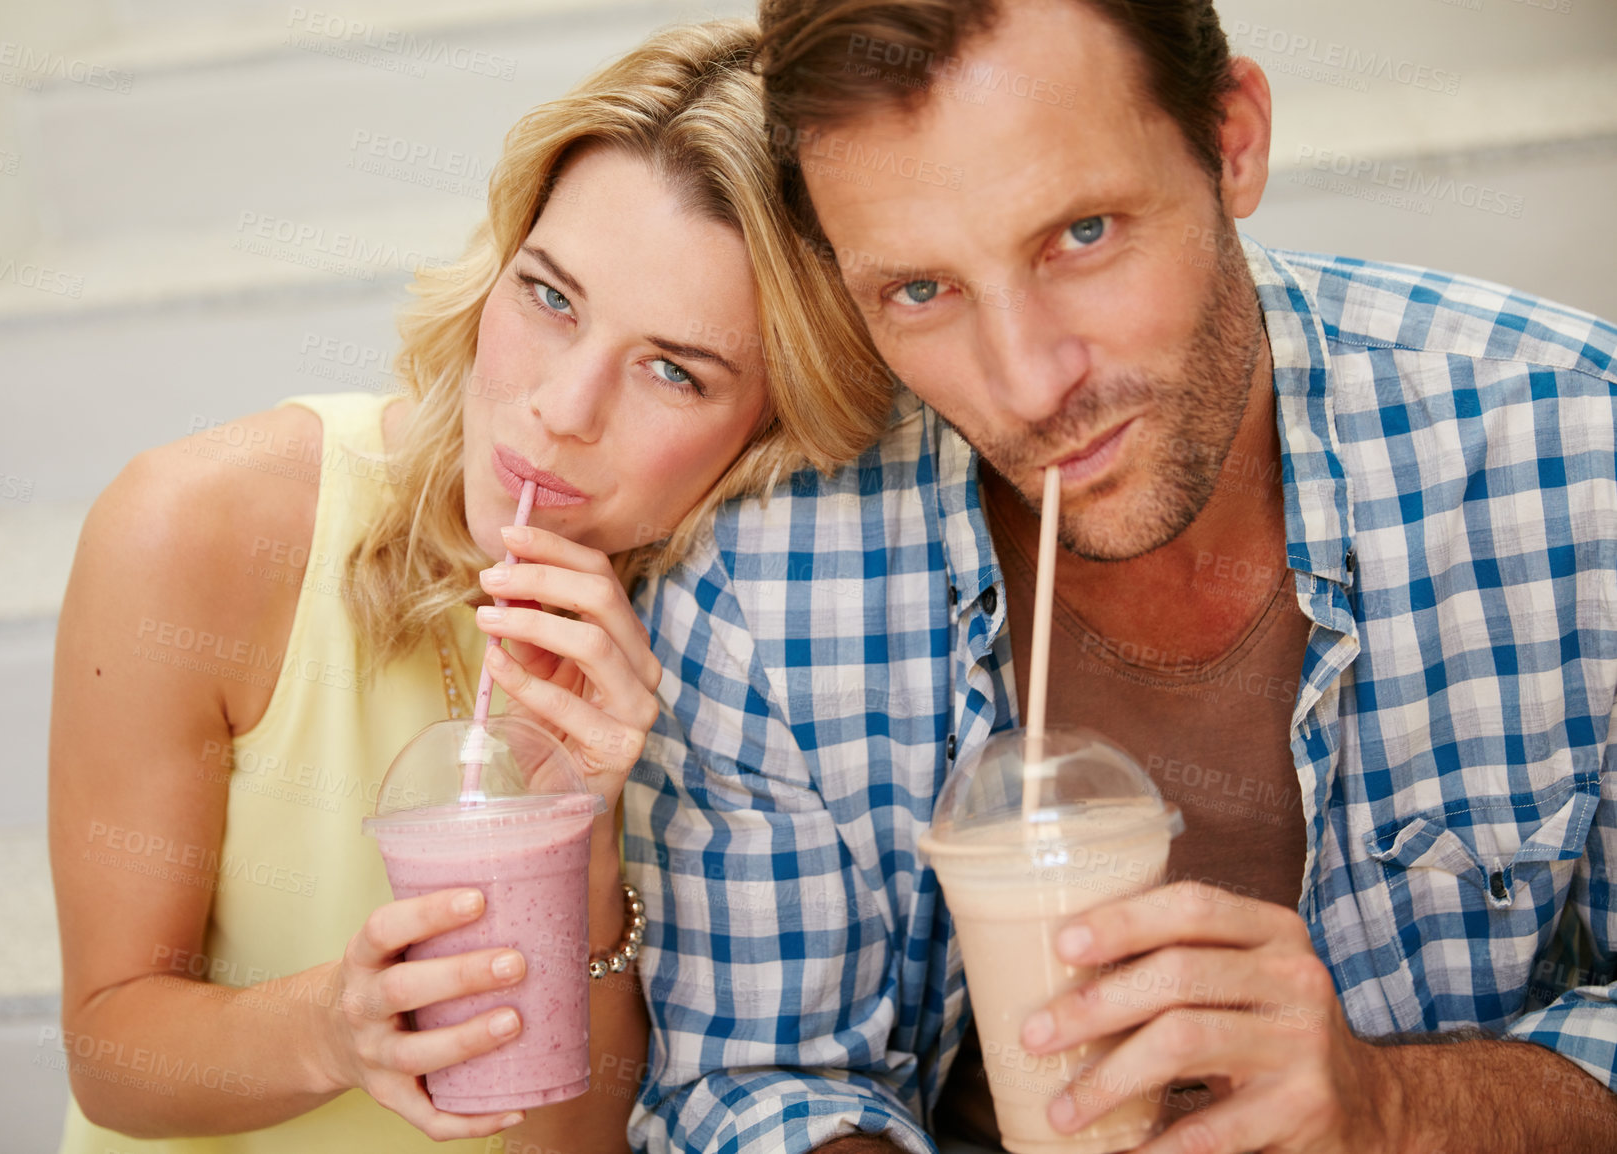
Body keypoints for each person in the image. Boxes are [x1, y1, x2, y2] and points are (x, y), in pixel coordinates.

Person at [622, 1, 1617, 1150]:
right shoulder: (761, 582)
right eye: (920, 290)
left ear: (1230, 139)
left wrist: (1400, 1108)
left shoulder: (1574, 458)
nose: (1029, 383)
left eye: (1081, 233)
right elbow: (752, 1083)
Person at [46, 20, 890, 1154]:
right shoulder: (198, 530)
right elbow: (111, 1055)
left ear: (765, 424)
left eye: (672, 369)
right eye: (550, 298)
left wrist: (583, 849)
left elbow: (571, 1143)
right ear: (499, 264)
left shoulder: (723, 641)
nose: (562, 407)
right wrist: (335, 1031)